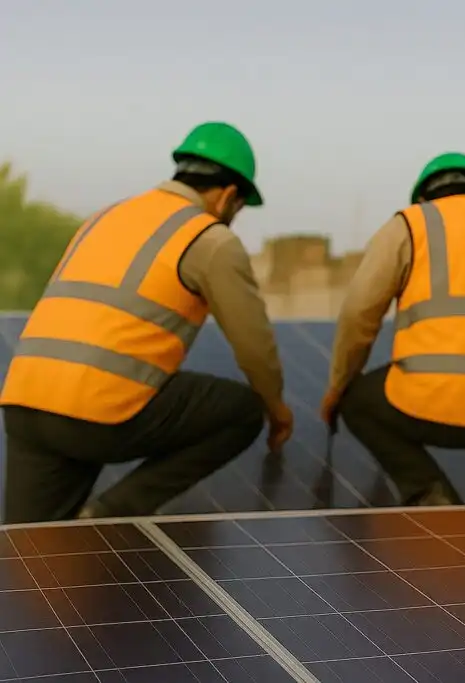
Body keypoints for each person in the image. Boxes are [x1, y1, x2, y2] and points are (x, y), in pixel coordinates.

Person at [0, 121, 294, 523]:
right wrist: (276, 408)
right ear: (228, 197)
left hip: (24, 402)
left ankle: (73, 536)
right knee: (242, 410)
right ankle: (111, 515)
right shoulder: (208, 238)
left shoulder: (105, 217)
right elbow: (253, 345)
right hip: (100, 412)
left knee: (29, 552)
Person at [319, 152, 465, 506]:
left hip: (434, 399)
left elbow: (358, 313)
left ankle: (432, 497)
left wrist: (337, 385)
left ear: (424, 196)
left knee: (358, 402)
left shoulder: (412, 223)